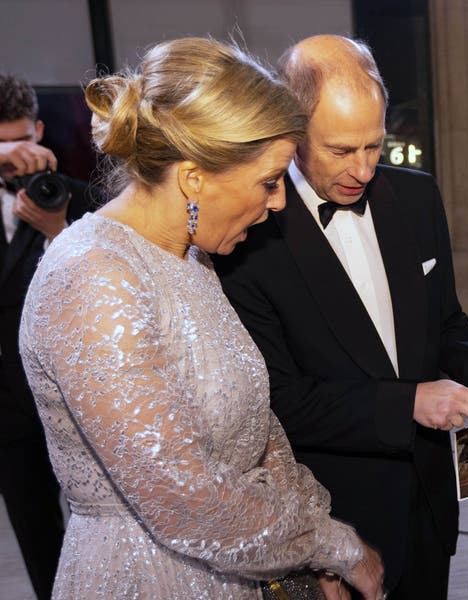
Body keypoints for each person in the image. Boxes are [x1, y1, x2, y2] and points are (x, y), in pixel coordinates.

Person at [18, 37, 385, 600]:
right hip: (146, 577)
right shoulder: (93, 278)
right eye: (268, 182)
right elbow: (184, 499)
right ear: (193, 178)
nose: (280, 201)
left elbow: (258, 429)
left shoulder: (190, 258)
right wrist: (335, 547)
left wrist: (312, 559)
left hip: (239, 569)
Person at [213, 35, 468, 599]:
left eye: (375, 145)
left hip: (429, 501)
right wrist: (408, 402)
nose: (362, 169)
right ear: (292, 128)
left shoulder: (417, 197)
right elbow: (276, 402)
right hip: (337, 515)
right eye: (339, 150)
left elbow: (448, 323)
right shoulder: (249, 231)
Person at [0, 72, 97, 600]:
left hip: (85, 401)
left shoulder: (77, 201)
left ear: (39, 131)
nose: (16, 161)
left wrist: (57, 230)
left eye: (22, 142)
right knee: (41, 546)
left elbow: (114, 291)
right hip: (10, 413)